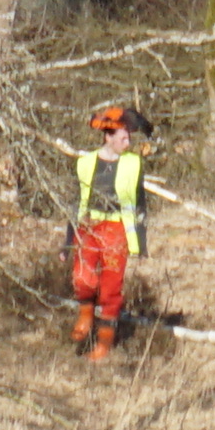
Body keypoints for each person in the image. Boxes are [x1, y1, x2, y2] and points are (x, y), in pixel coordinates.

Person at [69, 104, 152, 360]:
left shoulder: (133, 164)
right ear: (108, 137)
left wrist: (140, 243)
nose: (128, 143)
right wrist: (67, 240)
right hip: (89, 225)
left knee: (110, 290)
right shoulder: (86, 163)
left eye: (129, 138)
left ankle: (103, 344)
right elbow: (75, 201)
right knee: (82, 279)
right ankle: (85, 315)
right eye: (123, 138)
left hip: (117, 229)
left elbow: (139, 203)